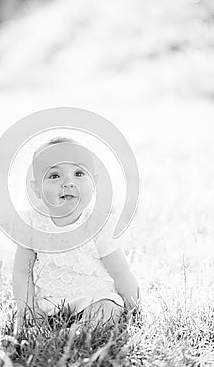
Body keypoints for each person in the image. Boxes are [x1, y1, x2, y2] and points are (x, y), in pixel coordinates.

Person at [12, 136, 139, 335]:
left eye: (79, 173)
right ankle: (43, 326)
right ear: (36, 189)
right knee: (32, 321)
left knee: (110, 308)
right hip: (49, 304)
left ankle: (77, 332)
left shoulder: (99, 225)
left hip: (93, 299)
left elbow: (121, 273)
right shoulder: (33, 224)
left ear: (93, 182)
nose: (68, 182)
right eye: (55, 176)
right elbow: (22, 272)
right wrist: (26, 309)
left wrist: (134, 308)